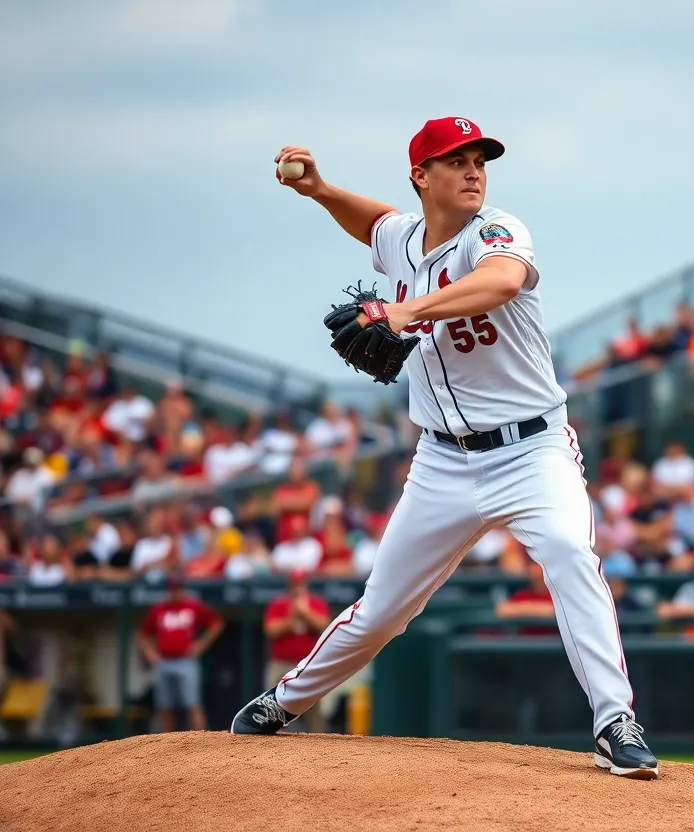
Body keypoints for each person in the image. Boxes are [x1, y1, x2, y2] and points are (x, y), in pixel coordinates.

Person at [232, 117, 656, 779]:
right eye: (456, 161)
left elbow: (505, 281)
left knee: (572, 554)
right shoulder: (403, 238)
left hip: (531, 452)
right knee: (382, 612)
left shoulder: (496, 231)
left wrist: (407, 311)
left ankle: (614, 721)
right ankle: (285, 702)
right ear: (421, 177)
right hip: (441, 462)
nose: (474, 171)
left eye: (480, 159)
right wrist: (319, 190)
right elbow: (374, 223)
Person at [137, 574, 224, 732]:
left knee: (193, 705)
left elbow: (216, 623)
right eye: (171, 589)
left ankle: (201, 743)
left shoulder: (192, 606)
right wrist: (150, 653)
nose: (174, 593)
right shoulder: (159, 609)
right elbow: (143, 634)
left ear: (182, 590)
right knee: (165, 708)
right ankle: (166, 749)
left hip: (185, 660)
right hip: (163, 661)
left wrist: (201, 645)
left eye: (177, 589)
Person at [263, 570, 331, 732]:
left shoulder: (316, 603)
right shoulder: (279, 604)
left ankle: (321, 749)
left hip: (308, 665)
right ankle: (271, 745)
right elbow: (270, 630)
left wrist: (305, 613)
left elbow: (323, 625)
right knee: (274, 706)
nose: (297, 588)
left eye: (300, 584)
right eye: (294, 584)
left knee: (314, 710)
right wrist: (292, 617)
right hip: (281, 664)